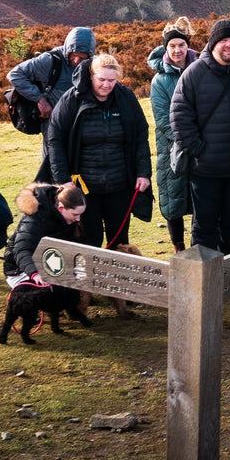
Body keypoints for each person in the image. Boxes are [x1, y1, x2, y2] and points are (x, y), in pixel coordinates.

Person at [45, 52, 152, 312]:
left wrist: (143, 173)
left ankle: (119, 290)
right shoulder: (71, 100)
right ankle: (86, 291)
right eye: (102, 79)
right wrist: (62, 179)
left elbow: (140, 135)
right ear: (91, 76)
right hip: (84, 189)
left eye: (112, 81)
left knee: (119, 240)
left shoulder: (126, 99)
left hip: (119, 184)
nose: (106, 85)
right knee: (88, 239)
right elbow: (55, 138)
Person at [169, 19, 230, 256]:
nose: (229, 44)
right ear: (213, 42)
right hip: (205, 170)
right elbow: (179, 116)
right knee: (204, 228)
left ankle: (229, 278)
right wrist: (198, 150)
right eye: (223, 39)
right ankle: (201, 283)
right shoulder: (194, 73)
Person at [8, 26, 94, 180]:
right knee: (53, 167)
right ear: (68, 49)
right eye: (74, 56)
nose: (76, 61)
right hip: (53, 125)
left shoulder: (92, 64)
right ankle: (50, 199)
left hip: (81, 125)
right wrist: (39, 99)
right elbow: (15, 75)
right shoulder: (50, 61)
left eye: (82, 58)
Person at [148, 19, 196, 252]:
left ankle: (201, 246)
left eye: (181, 45)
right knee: (172, 198)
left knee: (201, 198)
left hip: (199, 146)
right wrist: (187, 141)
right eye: (172, 46)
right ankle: (179, 248)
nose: (177, 50)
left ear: (188, 46)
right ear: (165, 49)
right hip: (171, 148)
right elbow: (163, 120)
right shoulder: (160, 80)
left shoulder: (201, 70)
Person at [3, 182, 84, 295]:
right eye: (75, 215)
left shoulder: (69, 218)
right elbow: (22, 250)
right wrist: (35, 273)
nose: (79, 219)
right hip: (21, 271)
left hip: (51, 265)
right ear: (61, 208)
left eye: (81, 214)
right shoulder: (34, 219)